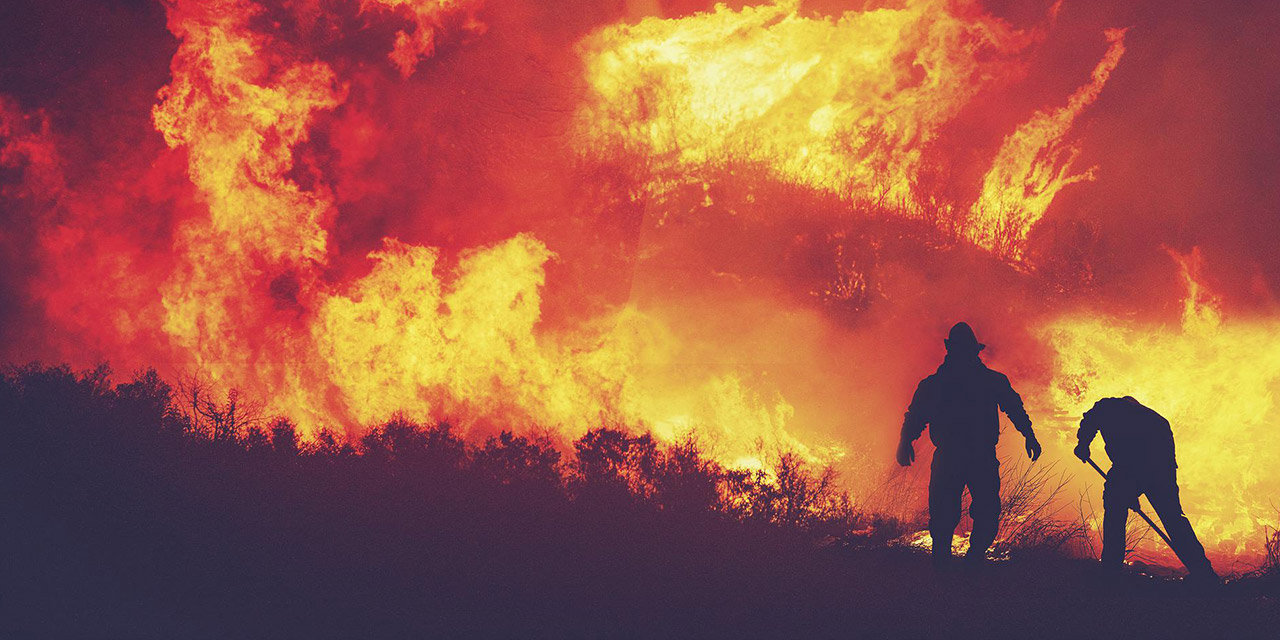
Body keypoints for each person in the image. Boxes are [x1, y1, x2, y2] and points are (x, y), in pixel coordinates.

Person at [897, 322, 1041, 567]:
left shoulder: (939, 384)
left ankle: (966, 561)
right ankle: (954, 563)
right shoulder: (976, 382)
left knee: (976, 510)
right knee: (957, 512)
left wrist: (1029, 434)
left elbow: (1015, 408)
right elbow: (916, 416)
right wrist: (905, 440)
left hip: (964, 456)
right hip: (970, 456)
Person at [1074, 396, 1218, 582]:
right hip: (1157, 470)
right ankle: (1204, 574)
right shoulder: (1157, 420)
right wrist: (1133, 492)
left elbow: (1092, 423)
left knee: (1115, 513)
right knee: (1174, 519)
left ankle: (1111, 572)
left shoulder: (1107, 407)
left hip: (1139, 466)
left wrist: (1083, 445)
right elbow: (1166, 466)